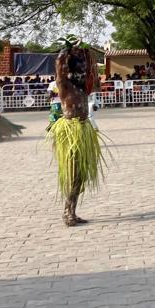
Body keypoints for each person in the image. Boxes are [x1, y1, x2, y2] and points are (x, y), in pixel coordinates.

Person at [52, 42, 104, 226]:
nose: (83, 73)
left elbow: (94, 78)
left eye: (84, 69)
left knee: (80, 175)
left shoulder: (82, 88)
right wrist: (66, 50)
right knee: (73, 173)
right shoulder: (65, 86)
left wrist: (86, 57)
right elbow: (59, 68)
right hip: (71, 133)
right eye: (80, 70)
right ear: (71, 71)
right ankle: (67, 212)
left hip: (83, 129)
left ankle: (72, 210)